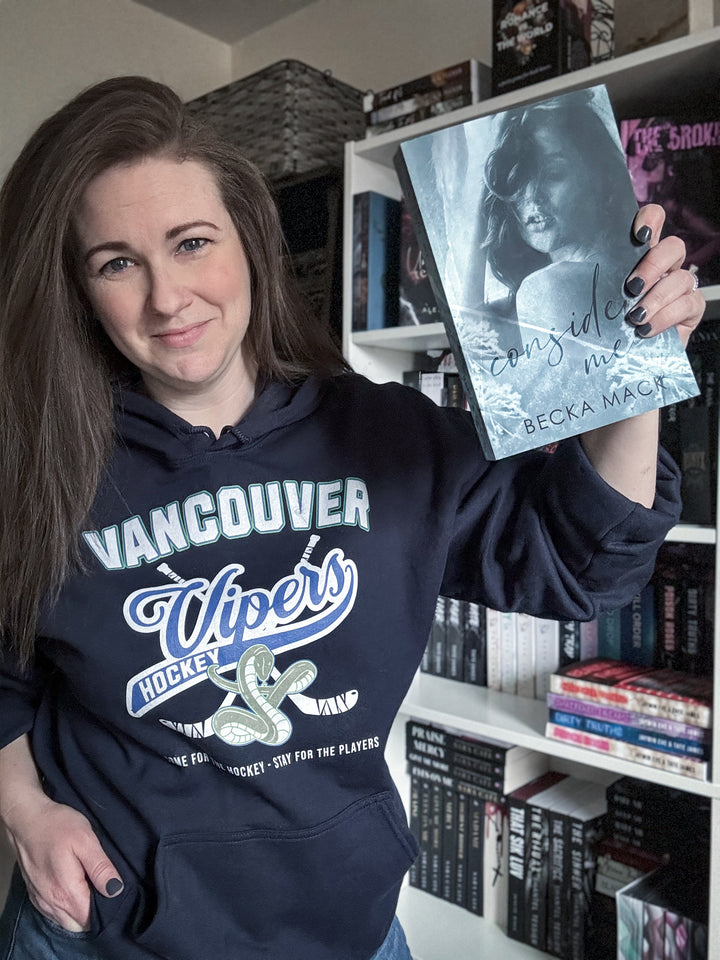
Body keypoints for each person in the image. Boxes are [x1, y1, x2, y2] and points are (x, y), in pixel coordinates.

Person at [0, 76, 705, 960]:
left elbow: (586, 567)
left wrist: (636, 378)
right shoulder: (42, 464)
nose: (167, 299)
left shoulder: (388, 434)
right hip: (104, 939)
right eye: (117, 262)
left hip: (345, 933)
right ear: (81, 289)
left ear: (249, 245)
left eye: (190, 244)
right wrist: (26, 814)